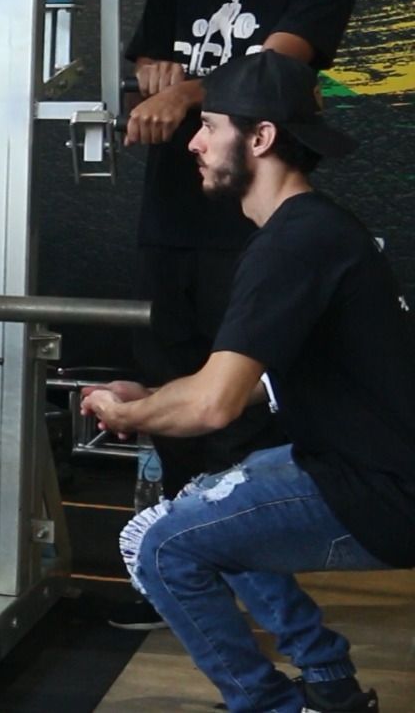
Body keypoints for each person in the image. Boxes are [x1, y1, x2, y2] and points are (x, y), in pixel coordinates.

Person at [82, 51, 403, 713]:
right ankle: (332, 686)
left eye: (211, 126)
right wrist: (153, 401)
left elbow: (213, 405)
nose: (193, 142)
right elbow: (261, 384)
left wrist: (128, 415)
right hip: (359, 464)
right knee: (204, 501)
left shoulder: (292, 244)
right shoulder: (313, 229)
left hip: (383, 494)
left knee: (159, 543)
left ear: (260, 139)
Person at [113, 0, 359, 631]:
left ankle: (270, 605)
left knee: (238, 420)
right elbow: (149, 80)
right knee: (172, 406)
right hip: (169, 218)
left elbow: (270, 69)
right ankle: (192, 574)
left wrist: (189, 89)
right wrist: (167, 88)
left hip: (252, 225)